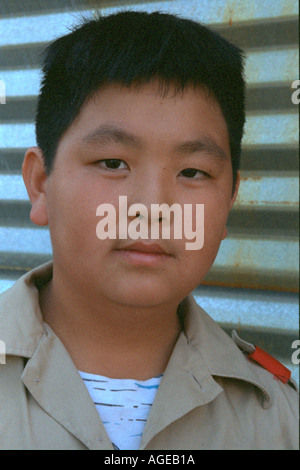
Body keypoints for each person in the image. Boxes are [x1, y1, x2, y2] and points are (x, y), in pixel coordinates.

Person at [0, 10, 298, 450]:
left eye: (193, 171)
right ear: (41, 184)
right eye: (113, 164)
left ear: (229, 200)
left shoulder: (279, 418)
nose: (153, 208)